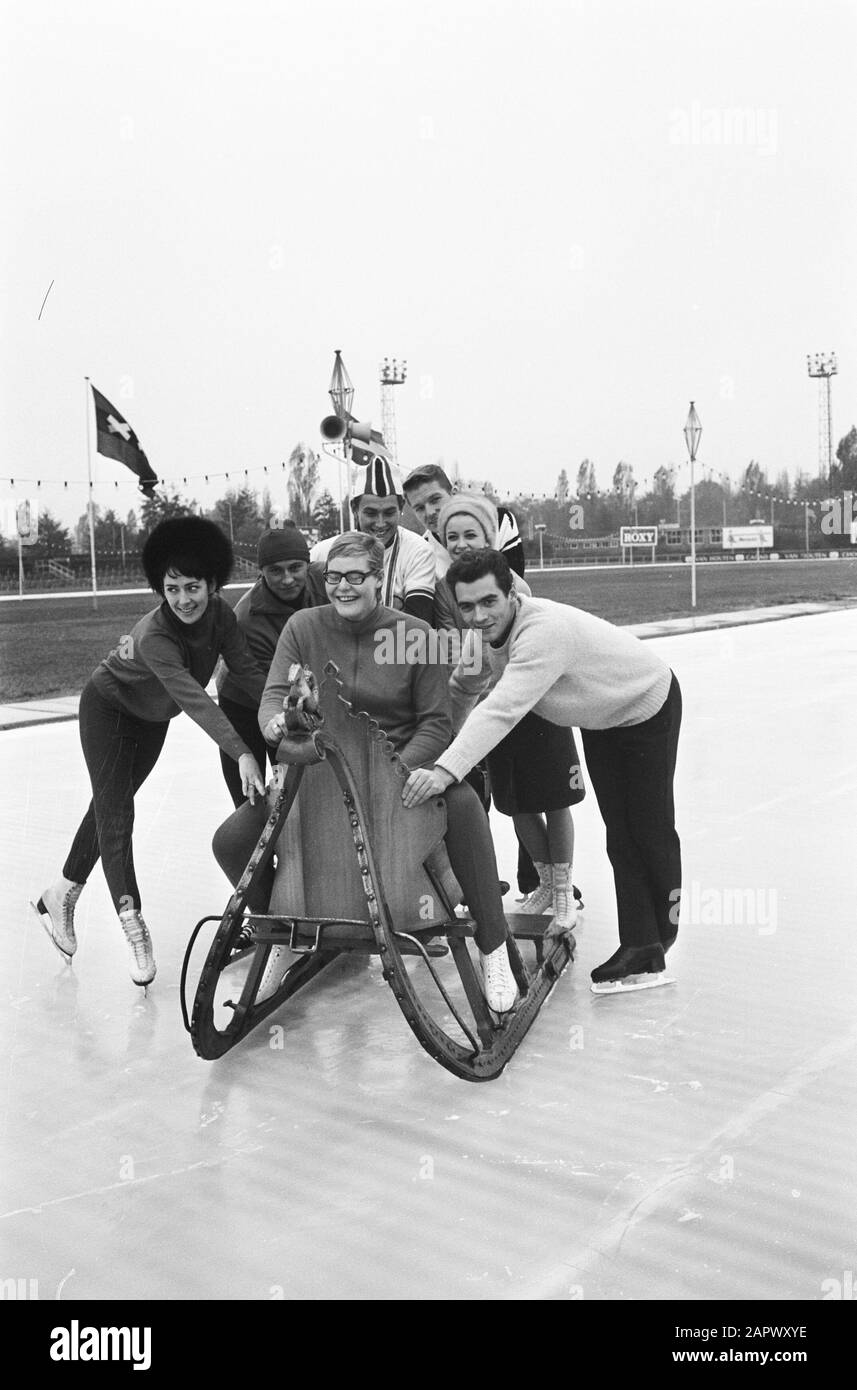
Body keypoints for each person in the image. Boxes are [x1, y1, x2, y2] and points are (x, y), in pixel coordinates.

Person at [211, 532, 519, 1013]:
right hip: (318, 776)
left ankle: (493, 944)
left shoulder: (413, 635)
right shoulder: (303, 626)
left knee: (461, 804)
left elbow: (436, 725)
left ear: (380, 580)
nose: (344, 587)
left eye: (357, 577)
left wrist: (404, 770)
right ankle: (281, 927)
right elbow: (274, 695)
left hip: (395, 771)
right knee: (231, 840)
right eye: (334, 577)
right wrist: (273, 723)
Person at [401, 549, 682, 994]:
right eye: (468, 606)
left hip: (645, 703)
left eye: (489, 601)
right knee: (620, 831)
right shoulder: (484, 637)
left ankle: (656, 940)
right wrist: (436, 748)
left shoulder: (541, 633)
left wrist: (445, 770)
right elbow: (462, 691)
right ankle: (644, 941)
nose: (479, 615)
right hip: (603, 716)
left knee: (648, 828)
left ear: (512, 594)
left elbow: (503, 708)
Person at [32, 518, 267, 987]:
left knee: (107, 806)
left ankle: (60, 893)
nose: (183, 599)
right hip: (108, 710)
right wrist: (242, 751)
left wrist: (285, 704)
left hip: (152, 720)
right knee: (118, 814)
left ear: (213, 584)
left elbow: (246, 670)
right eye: (172, 588)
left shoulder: (222, 617)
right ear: (160, 587)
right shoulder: (154, 635)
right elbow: (195, 699)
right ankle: (132, 924)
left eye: (193, 587)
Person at [433, 495, 584, 934]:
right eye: (452, 537)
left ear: (490, 537)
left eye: (471, 535)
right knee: (515, 804)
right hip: (493, 710)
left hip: (533, 704)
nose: (461, 544)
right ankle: (544, 879)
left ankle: (563, 889)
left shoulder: (511, 584)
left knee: (554, 799)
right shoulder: (454, 582)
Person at [217, 523, 311, 808]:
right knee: (251, 798)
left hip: (296, 687)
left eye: (295, 567)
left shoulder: (324, 581)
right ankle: (256, 850)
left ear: (309, 564)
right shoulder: (246, 619)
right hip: (246, 700)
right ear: (261, 572)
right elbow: (271, 695)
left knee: (303, 796)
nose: (287, 579)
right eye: (275, 571)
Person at [309, 453, 435, 623]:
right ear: (354, 508)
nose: (380, 523)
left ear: (401, 507)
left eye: (389, 513)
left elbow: (416, 624)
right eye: (371, 513)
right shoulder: (322, 552)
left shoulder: (418, 550)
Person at [402, 462, 526, 580]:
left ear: (453, 493)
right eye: (419, 508)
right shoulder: (422, 551)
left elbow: (518, 590)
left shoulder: (500, 520)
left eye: (435, 500)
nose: (429, 512)